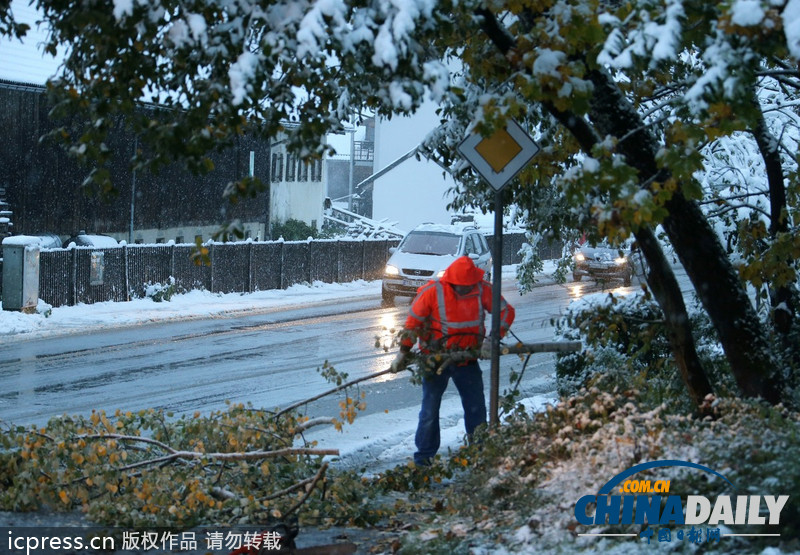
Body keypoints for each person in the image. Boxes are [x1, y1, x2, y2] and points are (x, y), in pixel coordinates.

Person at [390, 255, 515, 466]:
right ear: (452, 281)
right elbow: (413, 323)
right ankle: (424, 458)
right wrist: (403, 351)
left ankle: (480, 454)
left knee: (475, 407)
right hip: (435, 360)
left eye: (469, 286)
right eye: (461, 287)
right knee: (430, 409)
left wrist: (492, 340)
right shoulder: (433, 292)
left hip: (467, 359)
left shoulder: (482, 289)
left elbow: (506, 312)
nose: (465, 290)